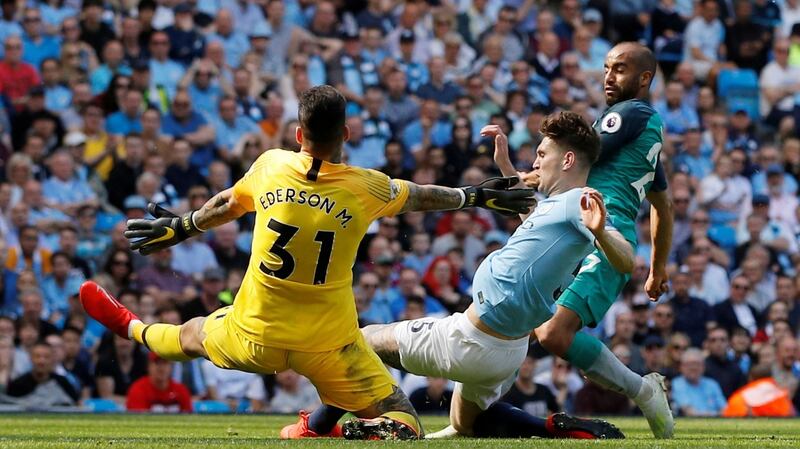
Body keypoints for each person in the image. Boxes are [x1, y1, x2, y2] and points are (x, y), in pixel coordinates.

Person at [79, 85, 535, 440]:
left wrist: (181, 227)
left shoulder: (270, 166)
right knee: (404, 419)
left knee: (190, 333)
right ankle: (353, 428)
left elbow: (225, 204)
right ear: (347, 135)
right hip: (328, 345)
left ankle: (131, 327)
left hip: (254, 332)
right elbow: (418, 196)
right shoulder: (366, 187)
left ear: (299, 134)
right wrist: (473, 196)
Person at [350, 113, 628, 439]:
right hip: (507, 353)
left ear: (567, 159)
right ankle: (552, 428)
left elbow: (625, 258)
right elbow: (532, 221)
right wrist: (506, 167)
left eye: (542, 155)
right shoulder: (559, 207)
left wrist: (604, 235)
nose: (536, 163)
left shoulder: (578, 202)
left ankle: (319, 426)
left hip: (471, 339)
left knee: (361, 340)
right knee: (463, 425)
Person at [496, 42, 675, 439]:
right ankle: (474, 411)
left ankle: (644, 391)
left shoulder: (631, 113)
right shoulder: (646, 133)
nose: (609, 76)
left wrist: (517, 177)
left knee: (553, 333)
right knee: (520, 313)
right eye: (607, 67)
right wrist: (658, 268)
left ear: (645, 78)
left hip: (601, 230)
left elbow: (577, 156)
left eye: (621, 69)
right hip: (574, 227)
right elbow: (663, 204)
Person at [126, 352, 193, 413]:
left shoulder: (181, 390)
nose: (161, 368)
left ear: (171, 367)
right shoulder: (138, 389)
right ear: (148, 366)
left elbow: (189, 418)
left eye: (165, 363)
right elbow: (138, 421)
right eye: (157, 363)